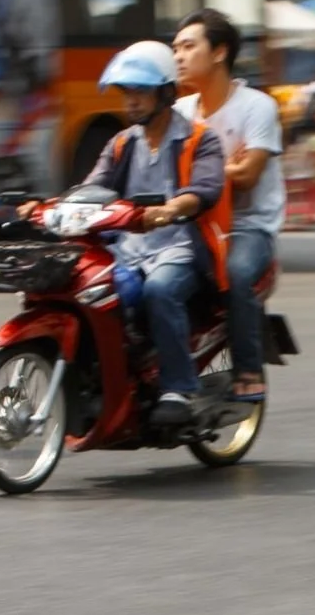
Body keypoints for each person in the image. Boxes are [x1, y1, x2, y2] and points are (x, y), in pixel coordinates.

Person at [58, 40, 228, 426]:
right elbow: (92, 186)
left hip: (179, 247)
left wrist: (171, 209)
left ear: (166, 92)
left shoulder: (201, 139)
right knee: (87, 291)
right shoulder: (120, 143)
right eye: (126, 92)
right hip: (127, 248)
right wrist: (52, 207)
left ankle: (178, 388)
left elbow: (204, 189)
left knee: (160, 290)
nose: (131, 101)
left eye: (140, 91)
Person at [172, 7, 284, 406]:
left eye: (189, 46)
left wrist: (202, 172)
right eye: (175, 49)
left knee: (235, 273)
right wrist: (226, 166)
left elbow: (248, 176)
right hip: (192, 222)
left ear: (219, 52)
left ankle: (249, 370)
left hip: (246, 226)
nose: (179, 57)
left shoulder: (257, 107)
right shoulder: (179, 113)